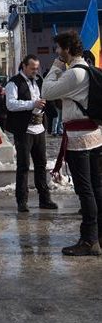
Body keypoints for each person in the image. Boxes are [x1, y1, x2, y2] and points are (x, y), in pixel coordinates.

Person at [43, 31, 102, 256]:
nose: (57, 52)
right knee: (96, 187)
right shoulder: (87, 69)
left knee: (85, 191)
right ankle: (98, 236)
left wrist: (56, 66)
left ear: (67, 49)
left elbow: (46, 91)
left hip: (79, 140)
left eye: (58, 48)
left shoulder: (74, 74)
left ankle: (89, 240)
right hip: (94, 136)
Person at [5, 54, 58, 213]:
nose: (35, 71)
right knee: (23, 166)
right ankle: (22, 201)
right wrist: (32, 104)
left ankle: (45, 199)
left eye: (37, 68)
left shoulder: (39, 81)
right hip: (24, 130)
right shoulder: (14, 83)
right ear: (24, 66)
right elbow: (10, 104)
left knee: (41, 164)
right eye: (32, 68)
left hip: (39, 128)